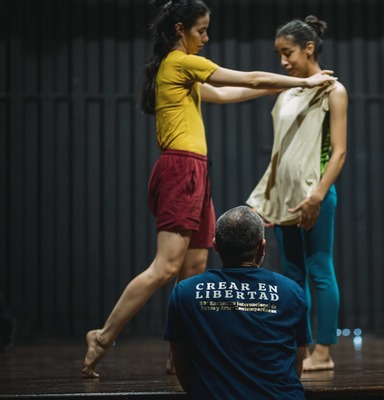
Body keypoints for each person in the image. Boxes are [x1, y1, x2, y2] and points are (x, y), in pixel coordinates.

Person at [82, 0, 336, 379]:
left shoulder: (182, 72)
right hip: (180, 169)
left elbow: (230, 93)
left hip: (197, 171)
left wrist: (276, 89)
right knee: (166, 266)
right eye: (201, 30)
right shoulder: (180, 61)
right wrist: (303, 81)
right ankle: (101, 337)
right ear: (181, 29)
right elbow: (248, 78)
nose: (206, 37)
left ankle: (177, 354)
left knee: (196, 266)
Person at [246, 15, 347, 372]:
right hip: (285, 198)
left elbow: (338, 151)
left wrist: (319, 195)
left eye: (288, 53)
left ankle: (324, 350)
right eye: (279, 55)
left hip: (315, 195)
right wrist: (270, 198)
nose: (283, 61)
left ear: (309, 48)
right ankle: (297, 347)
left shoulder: (333, 90)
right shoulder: (287, 88)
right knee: (291, 276)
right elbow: (280, 150)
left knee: (320, 269)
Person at [164, 205, 309, 399]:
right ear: (262, 247)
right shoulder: (292, 292)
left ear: (215, 245)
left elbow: (184, 373)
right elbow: (297, 366)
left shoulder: (184, 293)